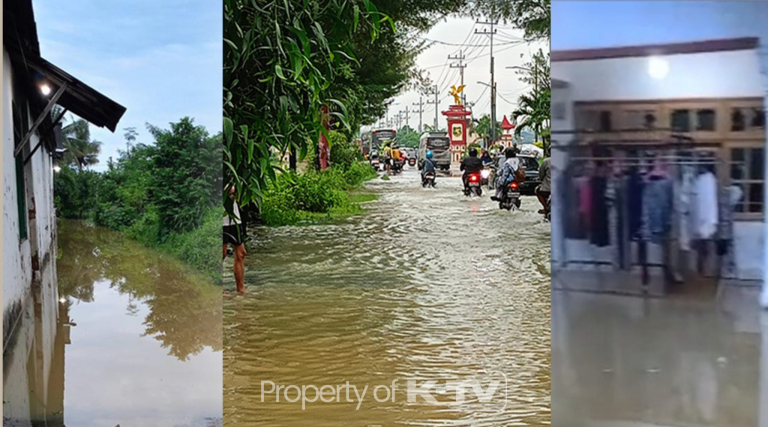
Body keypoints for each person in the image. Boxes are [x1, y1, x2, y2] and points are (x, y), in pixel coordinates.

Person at [223, 185, 246, 294]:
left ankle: (241, 290)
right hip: (221, 218)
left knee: (241, 253)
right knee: (221, 254)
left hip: (235, 218)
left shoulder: (232, 172)